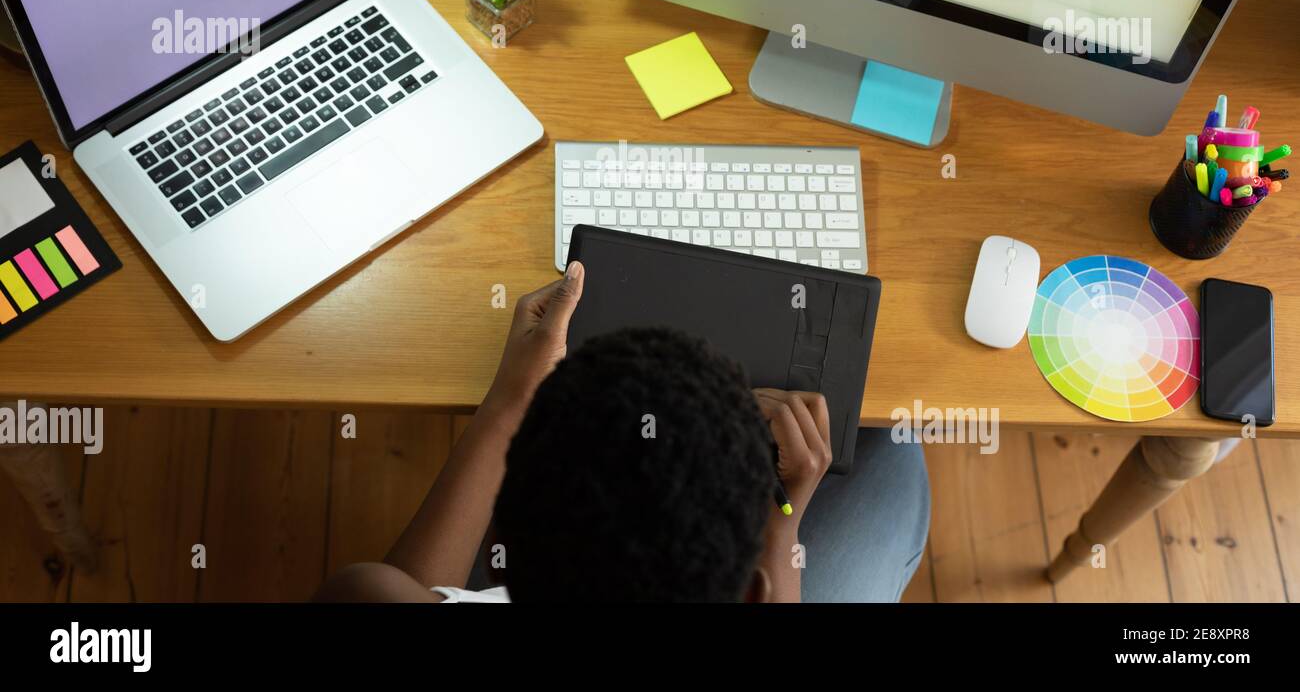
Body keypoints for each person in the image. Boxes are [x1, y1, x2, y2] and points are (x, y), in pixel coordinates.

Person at [317, 262, 929, 603]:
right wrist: (784, 519)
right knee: (890, 455)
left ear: (498, 552)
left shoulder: (359, 595)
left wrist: (512, 397)